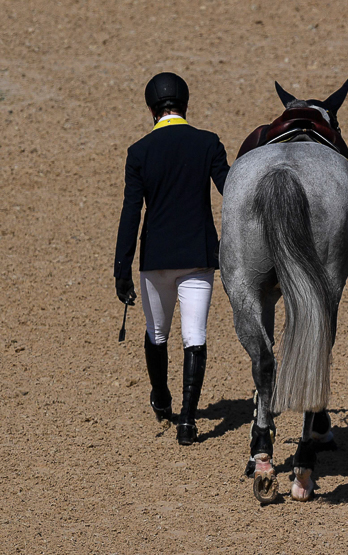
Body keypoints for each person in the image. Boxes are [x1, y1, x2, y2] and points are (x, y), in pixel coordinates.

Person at [113, 72, 230, 445]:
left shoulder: (139, 152)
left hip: (156, 259)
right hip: (198, 255)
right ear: (185, 106)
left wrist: (121, 269)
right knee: (194, 336)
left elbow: (131, 212)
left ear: (152, 109)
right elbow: (232, 190)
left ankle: (162, 400)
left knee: (157, 333)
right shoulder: (208, 143)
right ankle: (189, 422)